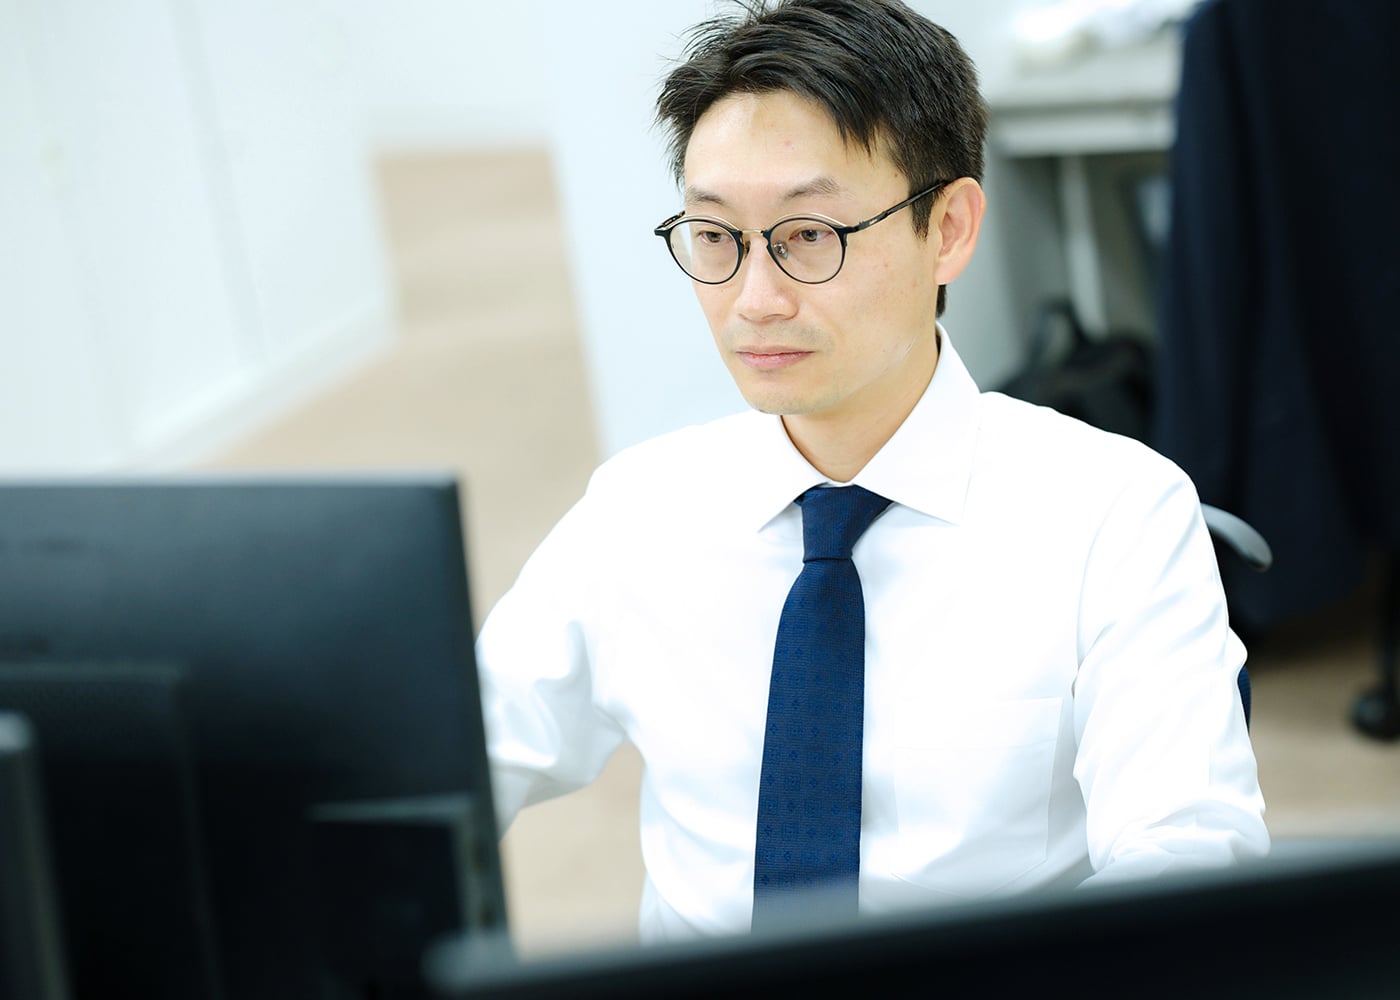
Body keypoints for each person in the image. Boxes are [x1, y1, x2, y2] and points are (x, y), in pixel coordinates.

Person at [476, 0, 1268, 945]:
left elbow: (1189, 862)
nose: (754, 300)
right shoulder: (639, 511)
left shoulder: (1114, 514)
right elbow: (455, 758)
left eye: (811, 234)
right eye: (715, 237)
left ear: (950, 229)